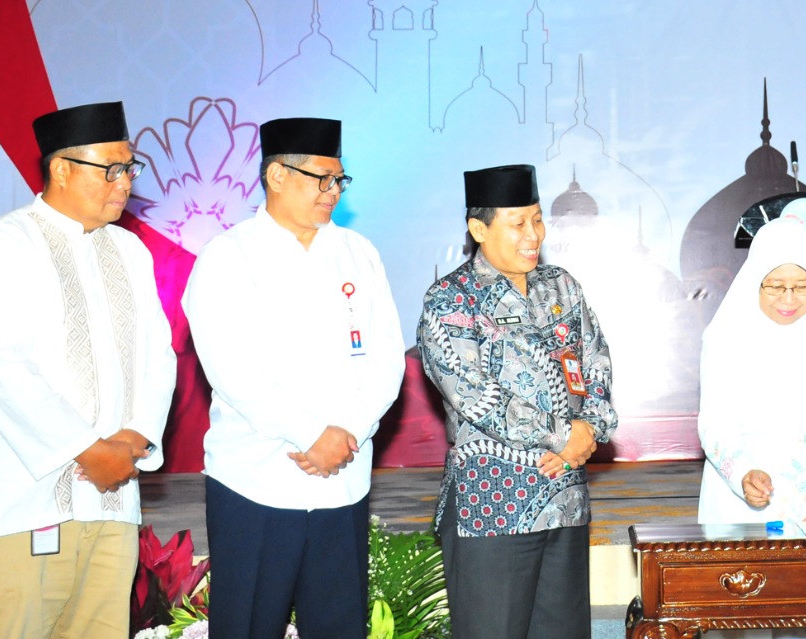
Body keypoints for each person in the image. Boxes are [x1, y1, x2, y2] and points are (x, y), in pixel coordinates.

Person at [0, 101, 177, 638]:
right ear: (62, 169)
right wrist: (88, 450)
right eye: (110, 169)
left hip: (110, 499)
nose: (125, 183)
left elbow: (158, 355)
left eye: (130, 168)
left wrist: (136, 436)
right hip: (15, 501)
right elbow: (2, 370)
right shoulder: (1, 246)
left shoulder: (130, 251)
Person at [182, 117, 405, 639]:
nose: (333, 191)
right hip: (256, 480)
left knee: (339, 626)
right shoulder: (228, 255)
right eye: (321, 178)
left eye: (339, 180)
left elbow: (387, 359)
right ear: (277, 176)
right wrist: (310, 435)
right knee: (247, 625)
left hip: (343, 478)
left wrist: (348, 433)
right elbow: (232, 369)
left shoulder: (358, 253)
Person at [418, 163, 617, 639]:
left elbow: (597, 362)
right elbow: (475, 396)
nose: (534, 234)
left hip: (565, 500)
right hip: (492, 508)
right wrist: (564, 436)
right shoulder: (451, 300)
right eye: (518, 223)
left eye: (538, 219)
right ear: (478, 229)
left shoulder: (561, 286)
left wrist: (591, 429)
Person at [698, 216, 806, 639]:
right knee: (750, 620)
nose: (789, 299)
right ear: (756, 278)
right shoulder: (726, 332)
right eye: (775, 286)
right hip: (748, 500)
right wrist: (742, 473)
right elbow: (715, 419)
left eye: (802, 286)